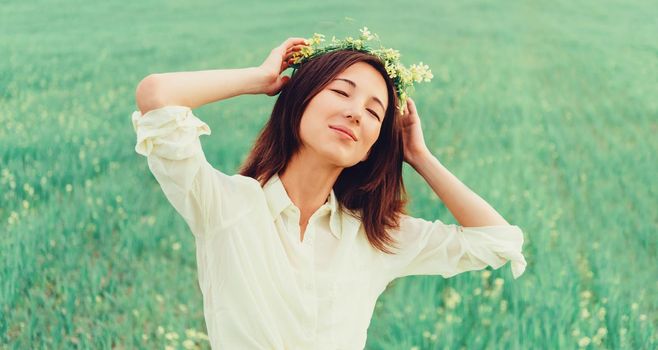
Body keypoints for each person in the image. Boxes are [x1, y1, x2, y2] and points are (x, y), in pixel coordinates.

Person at [131, 34, 527, 349]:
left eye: (375, 112)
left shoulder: (373, 237)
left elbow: (498, 240)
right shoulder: (226, 206)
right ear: (301, 98)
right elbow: (157, 97)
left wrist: (419, 155)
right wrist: (261, 79)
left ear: (373, 144)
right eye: (341, 92)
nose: (356, 112)